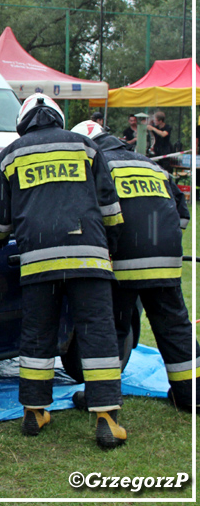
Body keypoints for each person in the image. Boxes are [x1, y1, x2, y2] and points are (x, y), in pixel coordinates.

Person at [0, 93, 127, 450]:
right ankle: (106, 417)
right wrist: (112, 244)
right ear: (58, 118)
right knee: (97, 335)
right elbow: (111, 209)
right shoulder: (87, 147)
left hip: (38, 262)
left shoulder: (10, 155)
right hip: (87, 257)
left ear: (23, 122)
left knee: (37, 335)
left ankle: (34, 410)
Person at [70, 121, 197, 413]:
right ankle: (193, 395)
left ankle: (101, 398)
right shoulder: (150, 165)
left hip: (121, 262)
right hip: (165, 261)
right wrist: (159, 244)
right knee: (175, 328)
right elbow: (181, 214)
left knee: (110, 329)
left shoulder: (96, 165)